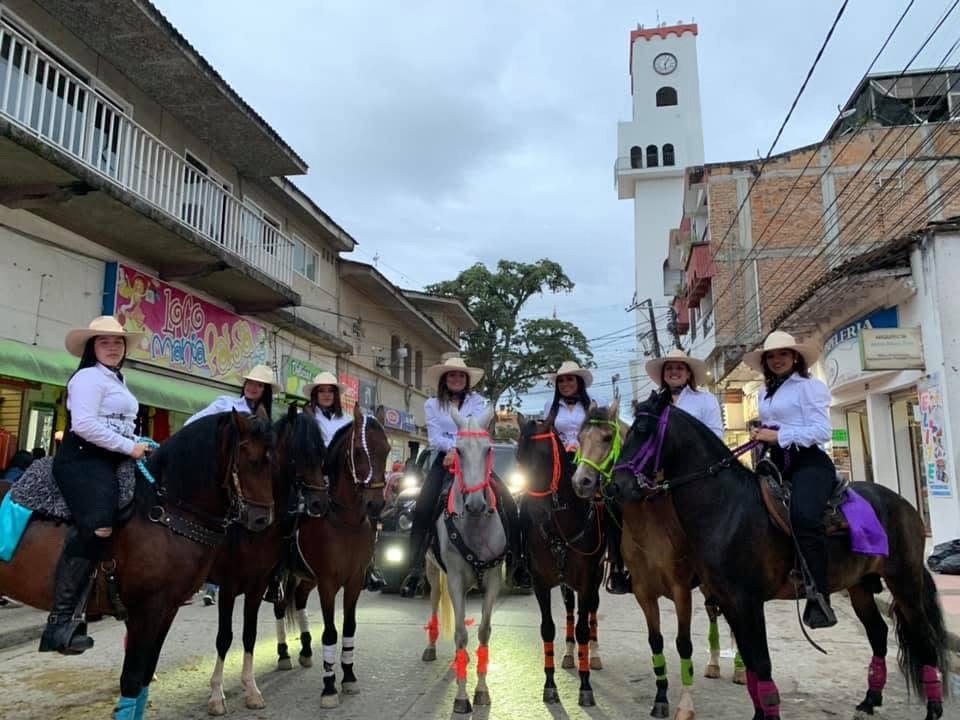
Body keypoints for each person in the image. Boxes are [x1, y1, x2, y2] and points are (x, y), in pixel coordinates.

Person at [40, 315, 149, 654]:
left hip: (113, 457)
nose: (112, 347)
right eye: (104, 342)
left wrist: (135, 442)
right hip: (83, 458)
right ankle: (61, 622)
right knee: (99, 524)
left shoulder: (118, 379)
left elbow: (118, 423)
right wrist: (128, 446)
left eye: (118, 342)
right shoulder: (87, 377)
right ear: (92, 347)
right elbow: (85, 425)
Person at [400, 356, 532, 597]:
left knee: (509, 503)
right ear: (444, 379)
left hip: (474, 460)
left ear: (467, 380)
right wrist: (452, 450)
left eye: (461, 375)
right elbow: (434, 437)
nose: (457, 379)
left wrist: (461, 448)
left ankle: (517, 563)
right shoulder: (432, 404)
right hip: (445, 461)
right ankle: (415, 569)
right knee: (423, 507)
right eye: (452, 375)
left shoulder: (479, 402)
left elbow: (480, 431)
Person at [744, 330, 837, 629]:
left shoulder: (809, 387)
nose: (777, 360)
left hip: (808, 462)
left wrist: (779, 435)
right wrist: (761, 435)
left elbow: (822, 431)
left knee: (803, 517)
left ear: (795, 357)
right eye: (771, 356)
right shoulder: (764, 392)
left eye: (783, 354)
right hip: (774, 463)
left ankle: (819, 594)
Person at [301, 370, 386, 592]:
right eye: (321, 391)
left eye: (330, 391)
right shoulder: (306, 417)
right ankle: (283, 564)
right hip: (315, 476)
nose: (326, 394)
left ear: (336, 395)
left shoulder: (349, 420)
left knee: (369, 513)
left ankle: (369, 564)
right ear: (315, 395)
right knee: (293, 510)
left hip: (344, 478)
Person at [184, 364, 278, 426]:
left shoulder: (266, 422)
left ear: (266, 391)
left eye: (259, 385)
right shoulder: (226, 402)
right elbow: (193, 421)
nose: (252, 387)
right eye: (250, 382)